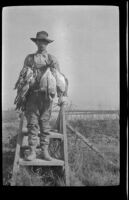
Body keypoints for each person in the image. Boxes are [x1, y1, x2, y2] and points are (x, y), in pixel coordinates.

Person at [14, 31, 68, 161]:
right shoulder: (29, 58)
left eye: (44, 42)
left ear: (47, 43)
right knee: (32, 124)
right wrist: (21, 96)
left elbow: (60, 78)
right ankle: (32, 151)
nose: (42, 44)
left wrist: (62, 96)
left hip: (47, 97)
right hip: (32, 96)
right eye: (39, 41)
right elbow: (22, 78)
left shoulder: (52, 59)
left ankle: (45, 151)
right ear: (36, 42)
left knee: (45, 125)